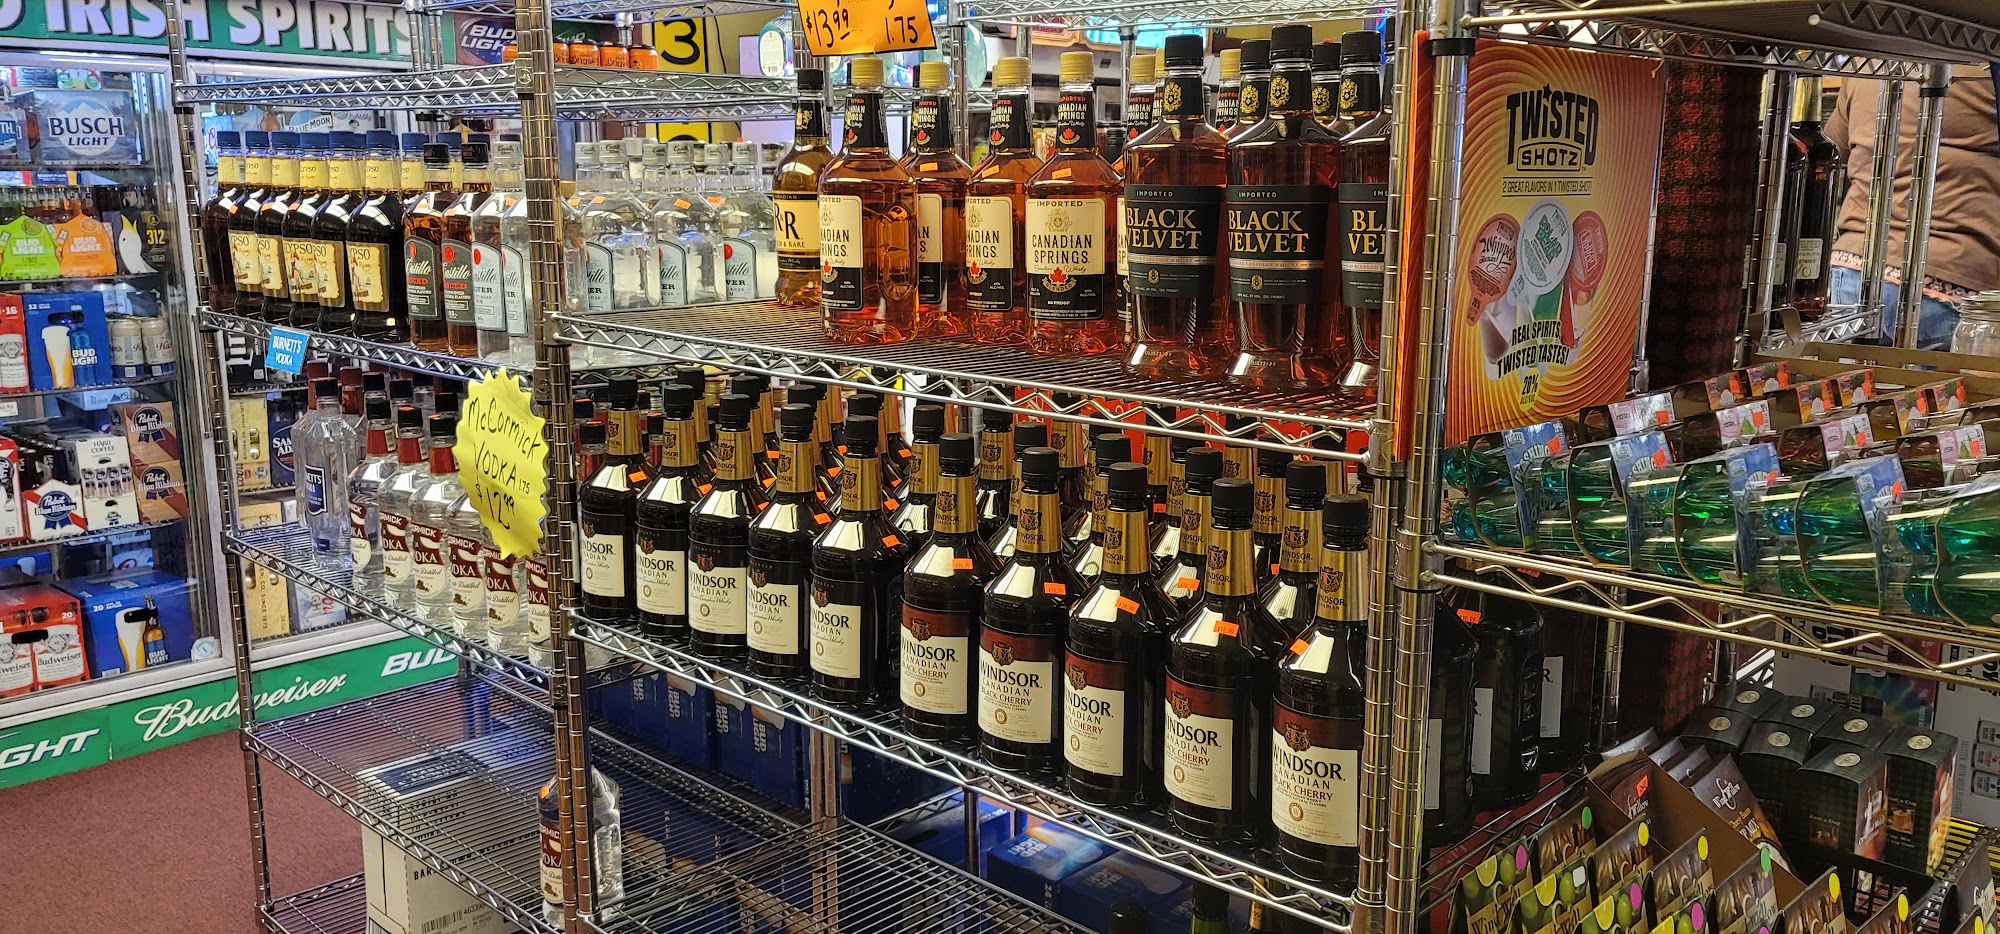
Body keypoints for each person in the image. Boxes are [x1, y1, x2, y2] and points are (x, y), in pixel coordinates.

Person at [1824, 65, 1999, 350]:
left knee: (1853, 379)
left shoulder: (1865, 60)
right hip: (1951, 277)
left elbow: (1834, 149)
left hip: (1852, 269)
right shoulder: (1985, 59)